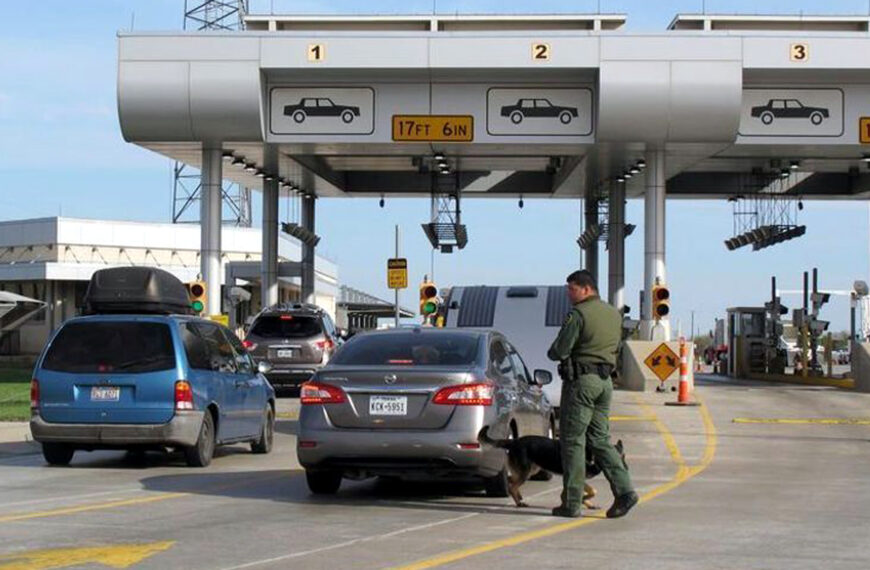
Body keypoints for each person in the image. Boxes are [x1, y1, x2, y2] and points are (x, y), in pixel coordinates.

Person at [547, 269, 638, 518]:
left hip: (582, 383)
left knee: (573, 441)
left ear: (586, 289)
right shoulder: (612, 314)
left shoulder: (579, 314)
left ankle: (572, 502)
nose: (569, 294)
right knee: (599, 440)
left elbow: (559, 349)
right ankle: (626, 490)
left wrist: (556, 352)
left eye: (572, 289)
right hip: (604, 382)